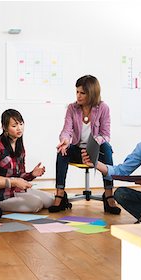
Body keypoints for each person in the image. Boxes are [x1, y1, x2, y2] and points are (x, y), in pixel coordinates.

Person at [49, 75, 121, 214]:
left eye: (82, 93)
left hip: (95, 151)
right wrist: (64, 141)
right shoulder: (72, 108)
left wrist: (92, 146)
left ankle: (108, 194)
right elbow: (66, 130)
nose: (78, 96)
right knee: (62, 150)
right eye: (77, 92)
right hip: (77, 150)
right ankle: (60, 194)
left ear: (92, 93)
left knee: (106, 148)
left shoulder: (103, 108)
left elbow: (105, 135)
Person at [0, 109, 54, 212]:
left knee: (51, 200)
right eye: (14, 126)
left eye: (21, 124)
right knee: (37, 204)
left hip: (18, 191)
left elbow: (21, 175)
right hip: (2, 195)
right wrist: (14, 182)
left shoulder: (19, 145)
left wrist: (32, 174)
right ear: (5, 127)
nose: (19, 128)